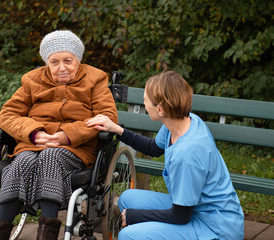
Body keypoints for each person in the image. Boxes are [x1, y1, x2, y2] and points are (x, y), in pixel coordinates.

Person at [0, 30, 118, 240]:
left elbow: (107, 117)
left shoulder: (95, 79)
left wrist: (67, 135)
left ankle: (46, 235)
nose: (62, 67)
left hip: (74, 147)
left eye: (68, 60)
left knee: (51, 157)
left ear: (78, 60)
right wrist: (34, 133)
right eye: (54, 62)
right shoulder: (32, 80)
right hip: (33, 145)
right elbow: (8, 114)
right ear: (46, 62)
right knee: (23, 161)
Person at [86, 70, 244, 239]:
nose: (144, 104)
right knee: (127, 198)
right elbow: (153, 148)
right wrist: (117, 129)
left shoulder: (187, 154)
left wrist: (135, 216)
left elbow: (180, 216)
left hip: (215, 228)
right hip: (196, 208)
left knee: (128, 235)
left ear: (160, 109)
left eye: (146, 101)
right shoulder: (184, 121)